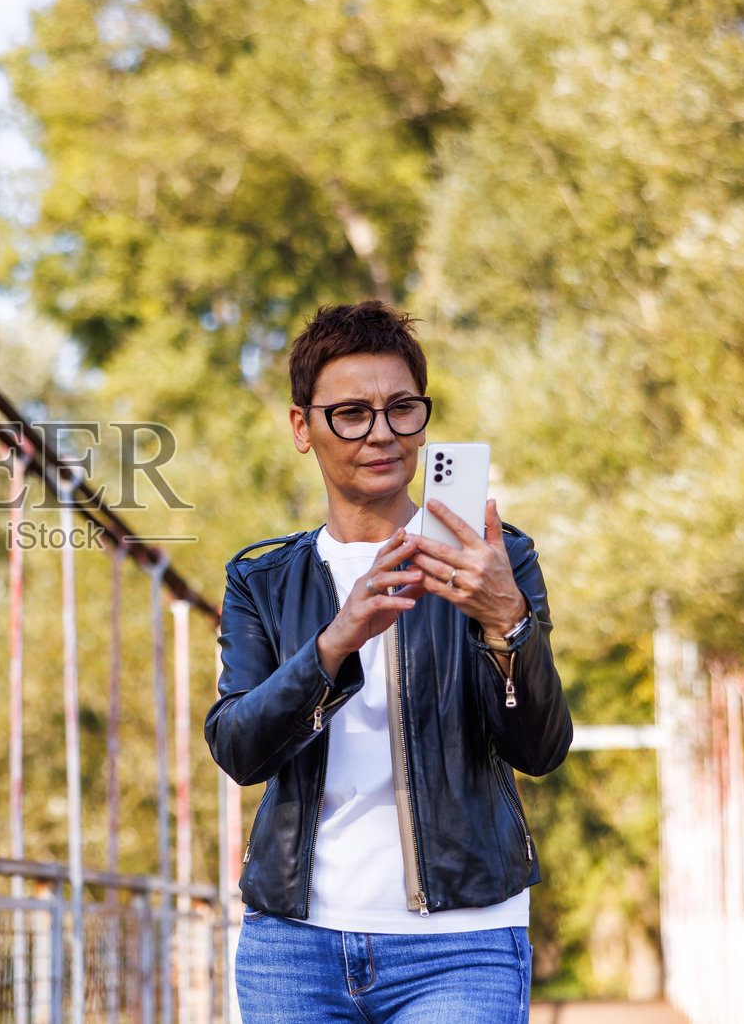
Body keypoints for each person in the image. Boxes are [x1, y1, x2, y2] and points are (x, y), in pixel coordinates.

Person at [205, 300, 572, 1023]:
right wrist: (335, 641)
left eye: (403, 409)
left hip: (463, 942)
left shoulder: (494, 560)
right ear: (301, 427)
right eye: (351, 413)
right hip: (294, 946)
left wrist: (506, 621)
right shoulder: (263, 580)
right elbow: (239, 748)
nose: (382, 432)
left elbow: (541, 747)